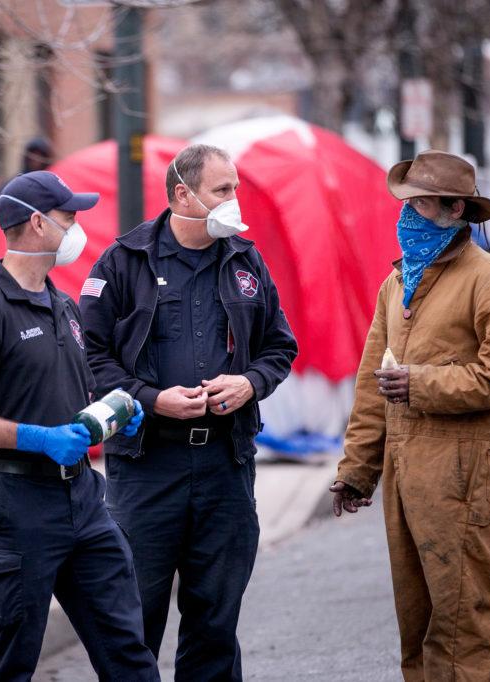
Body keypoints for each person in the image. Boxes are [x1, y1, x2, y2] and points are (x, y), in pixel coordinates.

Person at [80, 143, 297, 680]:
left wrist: (250, 383)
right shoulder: (124, 262)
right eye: (223, 190)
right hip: (146, 468)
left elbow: (280, 347)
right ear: (183, 194)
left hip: (226, 465)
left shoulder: (245, 260)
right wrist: (153, 401)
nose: (233, 200)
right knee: (134, 621)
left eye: (235, 189)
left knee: (215, 624)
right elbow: (90, 358)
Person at [0, 170, 159, 682]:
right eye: (69, 218)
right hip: (13, 506)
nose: (77, 228)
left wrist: (114, 413)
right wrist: (37, 438)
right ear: (37, 224)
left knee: (127, 649)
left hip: (82, 499)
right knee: (12, 662)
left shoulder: (64, 305)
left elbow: (71, 397)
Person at [330, 150, 490, 681]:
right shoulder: (397, 283)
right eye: (406, 204)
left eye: (419, 205)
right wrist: (357, 469)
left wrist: (421, 384)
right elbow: (372, 386)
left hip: (465, 472)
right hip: (406, 474)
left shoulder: (487, 278)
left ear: (454, 211)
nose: (406, 216)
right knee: (417, 625)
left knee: (463, 622)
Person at [0, 137, 54, 236]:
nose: (36, 160)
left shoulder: (53, 188)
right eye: (33, 155)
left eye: (40, 156)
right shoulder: (11, 188)